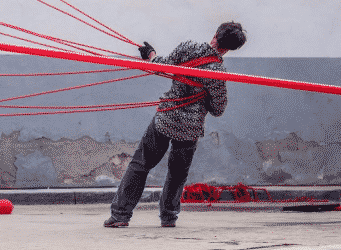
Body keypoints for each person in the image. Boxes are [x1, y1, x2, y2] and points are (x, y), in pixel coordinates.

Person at [104, 22, 247, 228]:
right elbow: (218, 109)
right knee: (177, 173)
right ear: (230, 49)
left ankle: (120, 216)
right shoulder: (218, 72)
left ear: (215, 34)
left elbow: (160, 66)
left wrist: (151, 54)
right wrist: (203, 95)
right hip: (190, 128)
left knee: (140, 164)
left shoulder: (188, 47)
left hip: (166, 118)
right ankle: (169, 218)